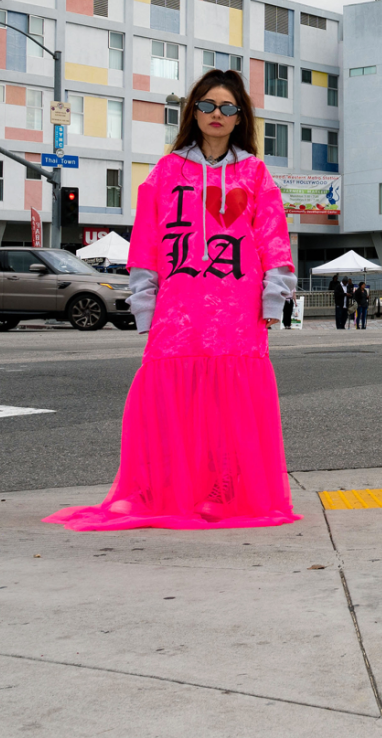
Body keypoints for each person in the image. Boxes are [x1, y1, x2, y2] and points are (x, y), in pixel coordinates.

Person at [44, 70, 300, 532]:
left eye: (227, 107)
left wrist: (272, 301)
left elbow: (274, 242)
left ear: (240, 116)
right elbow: (147, 244)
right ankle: (164, 488)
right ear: (193, 112)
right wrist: (144, 304)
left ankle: (224, 489)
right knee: (168, 403)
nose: (216, 115)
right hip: (179, 308)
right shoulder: (166, 172)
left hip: (237, 309)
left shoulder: (255, 173)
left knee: (230, 407)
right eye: (207, 106)